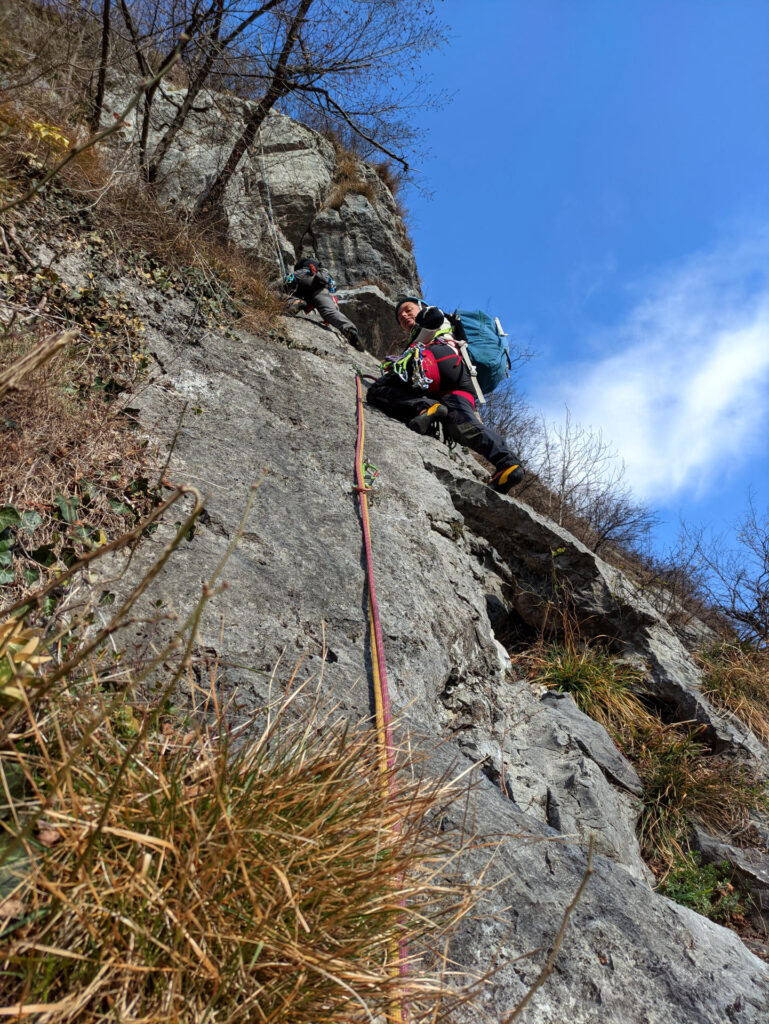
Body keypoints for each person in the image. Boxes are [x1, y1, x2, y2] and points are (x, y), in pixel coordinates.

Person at [366, 296, 524, 493]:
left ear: (420, 307)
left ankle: (423, 406)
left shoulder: (431, 315)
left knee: (377, 390)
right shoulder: (446, 329)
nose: (404, 316)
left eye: (408, 310)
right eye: (400, 316)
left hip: (436, 362)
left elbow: (433, 319)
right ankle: (507, 464)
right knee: (463, 426)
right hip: (460, 378)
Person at [284, 256, 363, 350]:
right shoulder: (321, 270)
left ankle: (295, 302)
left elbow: (290, 280)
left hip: (302, 276)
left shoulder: (302, 262)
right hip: (320, 286)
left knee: (287, 292)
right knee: (330, 312)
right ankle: (349, 329)